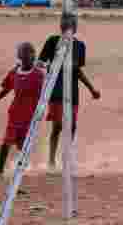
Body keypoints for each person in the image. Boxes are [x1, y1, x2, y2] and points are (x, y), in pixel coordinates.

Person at [38, 13, 100, 171]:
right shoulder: (52, 41)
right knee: (58, 126)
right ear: (61, 26)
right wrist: (47, 69)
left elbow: (77, 70)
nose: (67, 27)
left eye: (71, 24)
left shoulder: (80, 46)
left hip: (72, 92)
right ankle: (51, 161)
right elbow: (40, 63)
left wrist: (91, 89)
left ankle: (67, 158)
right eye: (65, 24)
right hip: (56, 90)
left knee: (71, 126)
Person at [0, 42, 45, 181]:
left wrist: (42, 110)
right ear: (19, 56)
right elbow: (6, 89)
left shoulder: (38, 75)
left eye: (31, 53)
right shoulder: (14, 73)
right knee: (7, 142)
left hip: (30, 117)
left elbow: (45, 94)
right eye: (25, 53)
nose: (29, 56)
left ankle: (22, 168)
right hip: (15, 114)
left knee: (22, 145)